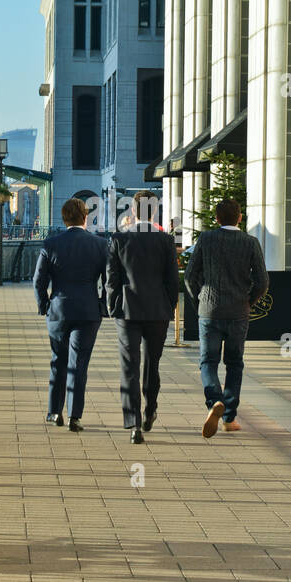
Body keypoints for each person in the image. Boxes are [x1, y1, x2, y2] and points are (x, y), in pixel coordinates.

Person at [184, 198, 269, 438]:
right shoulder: (251, 243)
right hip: (238, 312)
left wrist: (198, 302)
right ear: (240, 218)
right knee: (234, 363)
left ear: (217, 218)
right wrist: (248, 302)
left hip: (209, 311)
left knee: (208, 362)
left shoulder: (206, 239)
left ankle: (214, 402)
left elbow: (190, 276)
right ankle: (229, 418)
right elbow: (262, 282)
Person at [106, 190, 179, 445]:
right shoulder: (166, 240)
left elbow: (112, 279)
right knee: (152, 364)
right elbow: (172, 279)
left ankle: (134, 423)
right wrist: (170, 305)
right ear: (155, 211)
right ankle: (150, 410)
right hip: (158, 311)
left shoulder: (119, 239)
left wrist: (112, 305)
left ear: (134, 211)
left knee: (129, 366)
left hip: (128, 310)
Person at [33, 197, 107, 432]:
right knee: (79, 363)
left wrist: (44, 304)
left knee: (58, 360)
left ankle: (54, 412)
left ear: (64, 219)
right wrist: (103, 305)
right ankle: (75, 416)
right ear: (85, 217)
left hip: (58, 310)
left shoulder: (51, 244)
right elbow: (109, 280)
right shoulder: (99, 244)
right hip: (87, 311)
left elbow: (38, 281)